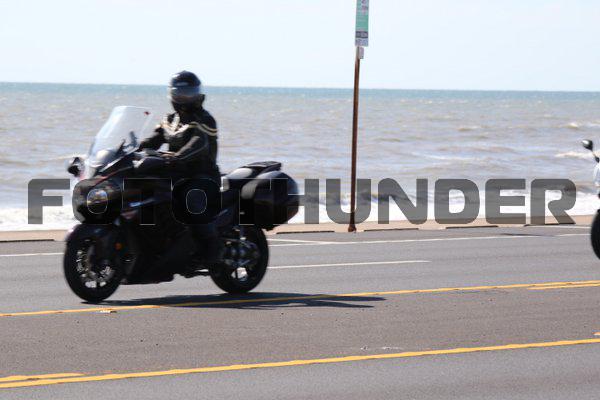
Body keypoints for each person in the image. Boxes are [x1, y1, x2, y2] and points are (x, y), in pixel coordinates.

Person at [138, 70, 221, 266]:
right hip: (176, 173)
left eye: (189, 93)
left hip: (202, 176)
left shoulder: (204, 119)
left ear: (197, 94)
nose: (184, 98)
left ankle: (212, 246)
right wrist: (133, 149)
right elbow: (154, 140)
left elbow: (199, 143)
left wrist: (178, 156)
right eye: (180, 94)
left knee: (190, 199)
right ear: (172, 94)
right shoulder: (169, 120)